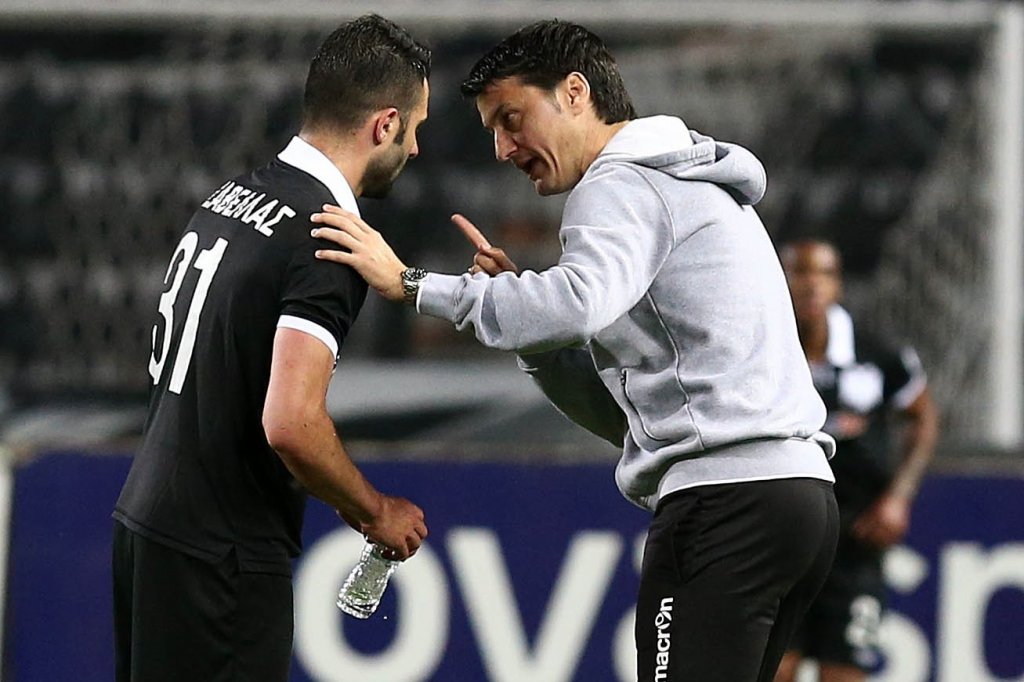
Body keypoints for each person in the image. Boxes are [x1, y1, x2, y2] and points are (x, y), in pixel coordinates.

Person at [311, 19, 839, 682]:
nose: (503, 149)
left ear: (575, 92)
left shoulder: (618, 185)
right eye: (493, 132)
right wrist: (537, 345)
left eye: (511, 119)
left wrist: (413, 284)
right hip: (796, 498)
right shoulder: (687, 181)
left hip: (725, 502)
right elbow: (626, 421)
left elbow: (575, 303)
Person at [111, 15, 430, 682]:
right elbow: (290, 421)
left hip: (146, 527)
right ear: (384, 126)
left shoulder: (234, 196)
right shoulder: (329, 237)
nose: (417, 148)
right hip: (221, 557)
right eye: (415, 129)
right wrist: (375, 512)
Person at [774, 239, 939, 682]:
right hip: (782, 539)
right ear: (778, 280)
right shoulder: (760, 351)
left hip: (855, 543)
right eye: (799, 273)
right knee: (776, 667)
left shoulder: (875, 355)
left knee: (843, 671)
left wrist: (898, 497)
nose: (812, 285)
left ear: (839, 284)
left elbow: (923, 418)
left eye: (824, 274)